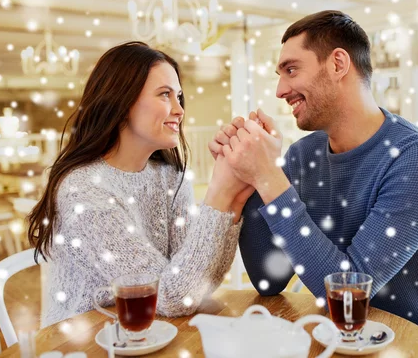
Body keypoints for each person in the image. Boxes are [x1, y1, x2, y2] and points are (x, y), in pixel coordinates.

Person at [209, 11, 418, 357]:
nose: (280, 91)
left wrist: (269, 177)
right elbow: (267, 279)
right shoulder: (302, 155)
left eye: (291, 70)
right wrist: (247, 176)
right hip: (343, 340)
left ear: (338, 64)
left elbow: (350, 291)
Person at [28, 41, 254, 327]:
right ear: (121, 103)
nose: (179, 110)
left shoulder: (170, 177)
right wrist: (219, 193)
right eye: (164, 95)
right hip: (86, 343)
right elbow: (171, 298)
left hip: (150, 334)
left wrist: (234, 197)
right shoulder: (84, 191)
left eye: (179, 97)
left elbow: (195, 285)